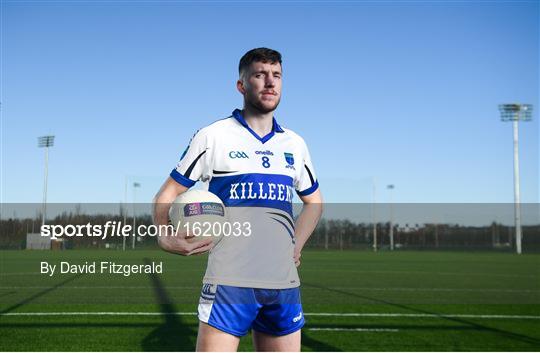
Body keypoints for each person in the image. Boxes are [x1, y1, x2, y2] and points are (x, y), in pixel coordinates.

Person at [152, 47, 322, 352]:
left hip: (283, 284)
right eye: (260, 75)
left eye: (277, 75)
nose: (270, 82)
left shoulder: (295, 144)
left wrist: (296, 244)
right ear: (241, 85)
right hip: (230, 282)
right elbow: (167, 194)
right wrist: (165, 237)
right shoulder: (213, 136)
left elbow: (315, 202)